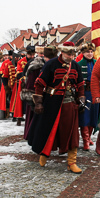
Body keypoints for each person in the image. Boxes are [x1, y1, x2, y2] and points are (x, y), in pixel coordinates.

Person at [26, 42, 85, 173]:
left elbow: (80, 84)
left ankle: (72, 162)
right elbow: (39, 84)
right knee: (48, 131)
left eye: (73, 54)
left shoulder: (75, 65)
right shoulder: (51, 64)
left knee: (72, 134)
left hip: (70, 105)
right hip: (51, 103)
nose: (71, 56)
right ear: (62, 53)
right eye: (69, 54)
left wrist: (81, 98)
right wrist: (39, 102)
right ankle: (43, 154)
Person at [23, 46, 57, 140]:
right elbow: (30, 83)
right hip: (36, 94)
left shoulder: (50, 64)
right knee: (34, 118)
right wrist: (35, 99)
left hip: (46, 95)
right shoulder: (36, 65)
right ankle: (32, 136)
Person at [77, 42, 100, 150]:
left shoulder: (97, 63)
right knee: (84, 117)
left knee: (93, 116)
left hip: (95, 93)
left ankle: (89, 137)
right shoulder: (79, 64)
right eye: (87, 52)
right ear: (82, 53)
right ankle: (85, 140)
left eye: (91, 52)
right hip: (84, 94)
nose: (90, 54)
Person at [12, 46, 35, 126]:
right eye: (30, 55)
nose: (32, 57)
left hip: (33, 84)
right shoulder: (21, 61)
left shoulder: (36, 60)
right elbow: (18, 73)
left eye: (33, 55)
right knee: (20, 102)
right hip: (23, 84)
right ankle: (19, 118)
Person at [0, 51, 15, 118]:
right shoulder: (3, 63)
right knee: (6, 98)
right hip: (6, 82)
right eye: (4, 56)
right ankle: (7, 113)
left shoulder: (12, 62)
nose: (6, 57)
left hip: (13, 82)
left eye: (7, 55)